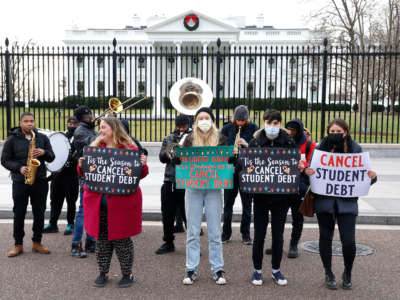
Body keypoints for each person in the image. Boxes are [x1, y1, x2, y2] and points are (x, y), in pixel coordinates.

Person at [305, 118, 377, 290]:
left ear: (346, 132)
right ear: (328, 132)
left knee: (349, 242)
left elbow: (363, 178)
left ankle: (348, 272)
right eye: (332, 132)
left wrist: (372, 177)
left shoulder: (355, 149)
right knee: (325, 238)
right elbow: (310, 174)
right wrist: (307, 172)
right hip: (325, 203)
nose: (336, 134)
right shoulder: (319, 149)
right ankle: (328, 272)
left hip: (347, 204)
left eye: (339, 132)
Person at [77, 117, 148, 288]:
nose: (100, 131)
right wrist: (80, 165)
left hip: (121, 206)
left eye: (104, 128)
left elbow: (140, 174)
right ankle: (103, 272)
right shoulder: (94, 149)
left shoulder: (129, 149)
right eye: (100, 127)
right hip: (98, 203)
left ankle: (127, 273)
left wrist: (142, 165)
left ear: (114, 130)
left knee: (122, 241)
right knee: (102, 241)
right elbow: (85, 174)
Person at [248, 109, 303, 286]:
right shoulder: (255, 142)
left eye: (276, 123)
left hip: (281, 198)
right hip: (261, 197)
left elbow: (294, 164)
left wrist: (300, 166)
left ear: (280, 124)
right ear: (264, 123)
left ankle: (276, 270)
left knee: (278, 235)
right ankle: (257, 271)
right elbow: (247, 166)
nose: (273, 126)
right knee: (259, 235)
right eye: (269, 123)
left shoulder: (288, 141)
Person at [178, 107, 227, 285]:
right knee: (192, 231)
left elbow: (227, 160)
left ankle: (217, 269)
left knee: (215, 231)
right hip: (193, 189)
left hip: (214, 188)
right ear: (196, 121)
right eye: (201, 118)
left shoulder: (221, 138)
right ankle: (191, 269)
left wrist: (232, 160)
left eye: (207, 118)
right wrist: (176, 156)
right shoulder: (188, 138)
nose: (204, 121)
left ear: (212, 121)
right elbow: (176, 156)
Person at [1, 112, 55, 257]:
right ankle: (18, 244)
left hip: (40, 181)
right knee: (19, 213)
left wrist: (43, 152)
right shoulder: (12, 140)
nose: (29, 124)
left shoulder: (42, 138)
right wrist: (19, 168)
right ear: (20, 123)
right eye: (26, 121)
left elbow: (52, 156)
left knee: (39, 213)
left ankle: (37, 242)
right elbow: (4, 160)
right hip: (20, 181)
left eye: (31, 121)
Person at [264, 118, 316, 258]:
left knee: (297, 217)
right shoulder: (283, 142)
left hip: (300, 186)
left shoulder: (309, 145)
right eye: (288, 129)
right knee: (278, 218)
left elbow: (312, 164)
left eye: (293, 130)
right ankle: (277, 244)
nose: (291, 132)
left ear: (299, 130)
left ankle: (293, 244)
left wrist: (303, 168)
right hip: (283, 185)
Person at [221, 105, 258, 245]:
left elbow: (259, 150)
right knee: (228, 205)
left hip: (246, 171)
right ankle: (226, 234)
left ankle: (246, 234)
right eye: (238, 120)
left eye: (243, 120)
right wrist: (229, 150)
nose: (240, 123)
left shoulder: (254, 128)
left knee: (247, 205)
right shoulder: (227, 128)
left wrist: (247, 145)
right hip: (230, 170)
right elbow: (221, 147)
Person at [155, 114, 191, 254]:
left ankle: (192, 244)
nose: (181, 129)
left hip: (187, 181)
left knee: (188, 215)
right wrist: (168, 154)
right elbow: (162, 158)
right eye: (179, 126)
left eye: (184, 126)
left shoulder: (192, 138)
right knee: (167, 214)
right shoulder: (169, 138)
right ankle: (168, 242)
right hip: (170, 180)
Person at [43, 116, 80, 235]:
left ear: (79, 125)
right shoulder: (61, 136)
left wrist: (73, 160)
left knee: (71, 201)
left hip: (71, 176)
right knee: (55, 200)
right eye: (69, 123)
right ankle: (53, 224)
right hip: (57, 175)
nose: (71, 126)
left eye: (74, 124)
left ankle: (70, 224)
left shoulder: (79, 139)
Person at [70, 106, 98, 258]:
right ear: (81, 119)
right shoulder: (80, 131)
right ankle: (76, 244)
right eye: (89, 116)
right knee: (83, 212)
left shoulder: (91, 129)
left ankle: (90, 241)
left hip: (95, 174)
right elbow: (94, 143)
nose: (92, 118)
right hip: (85, 176)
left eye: (92, 115)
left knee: (93, 211)